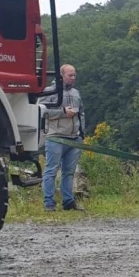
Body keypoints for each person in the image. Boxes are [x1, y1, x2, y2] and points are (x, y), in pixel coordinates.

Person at [40, 64, 86, 212]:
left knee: (69, 172)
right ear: (61, 76)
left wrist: (82, 133)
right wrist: (63, 112)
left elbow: (81, 113)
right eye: (70, 75)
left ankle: (68, 202)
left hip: (74, 138)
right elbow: (42, 111)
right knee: (51, 170)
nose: (73, 78)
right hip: (55, 137)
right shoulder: (49, 91)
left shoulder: (76, 93)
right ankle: (49, 203)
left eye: (74, 75)